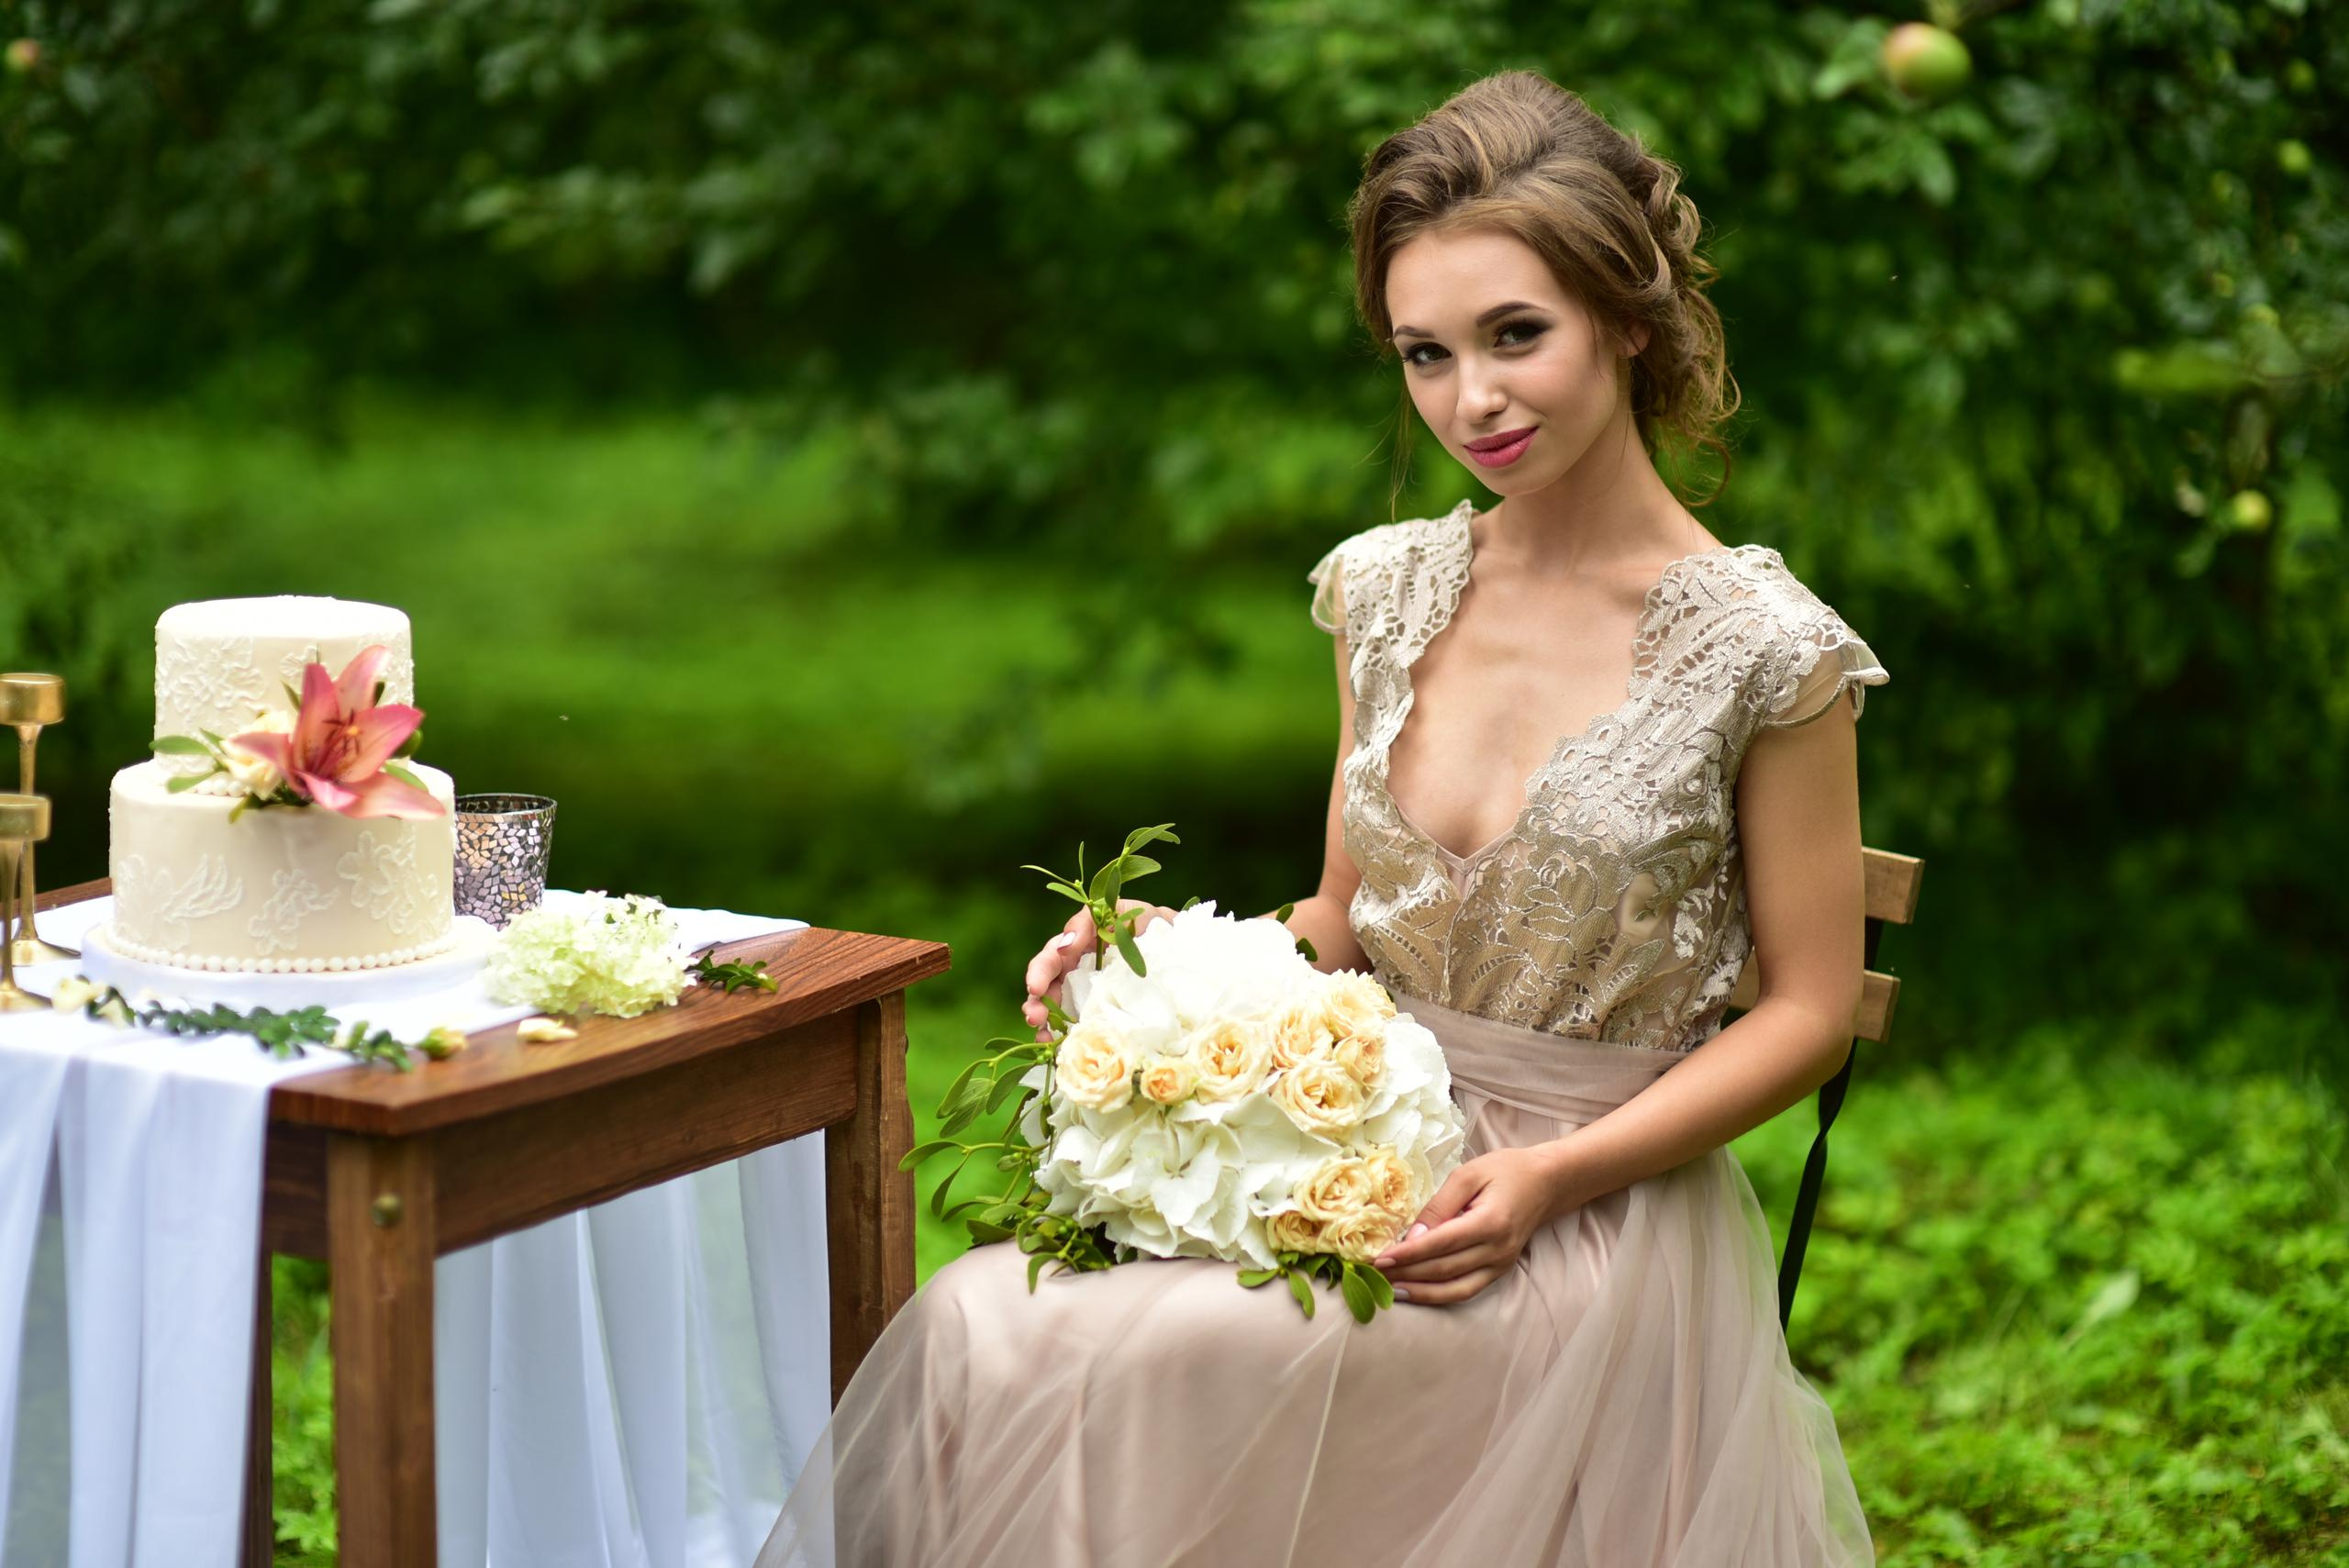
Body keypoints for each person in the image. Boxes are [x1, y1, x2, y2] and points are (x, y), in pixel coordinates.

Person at [755, 68, 1882, 1567]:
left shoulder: (1765, 648)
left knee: (1148, 1356)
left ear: (1629, 314)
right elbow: (1346, 920)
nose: (1468, 400)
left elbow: (1808, 1010)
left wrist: (1553, 1172)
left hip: (1586, 1223)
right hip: (1360, 1156)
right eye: (1424, 352)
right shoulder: (1386, 588)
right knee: (986, 1318)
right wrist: (1177, 965)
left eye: (1514, 336)